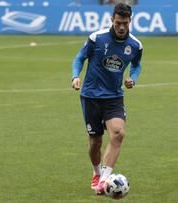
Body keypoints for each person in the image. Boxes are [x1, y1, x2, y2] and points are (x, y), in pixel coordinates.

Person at [71, 3, 143, 195]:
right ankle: (96, 173)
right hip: (91, 96)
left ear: (130, 21)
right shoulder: (97, 38)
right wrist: (75, 76)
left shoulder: (135, 45)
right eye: (118, 23)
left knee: (118, 133)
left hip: (114, 97)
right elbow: (79, 58)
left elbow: (136, 65)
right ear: (112, 20)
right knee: (95, 142)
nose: (121, 27)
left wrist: (132, 79)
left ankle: (104, 181)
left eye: (125, 23)